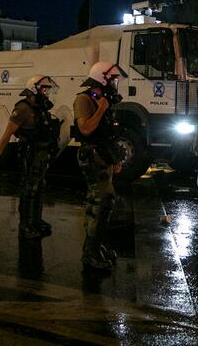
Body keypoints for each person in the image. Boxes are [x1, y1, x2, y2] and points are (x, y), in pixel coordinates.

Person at [74, 61, 127, 271]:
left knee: (99, 202)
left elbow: (108, 134)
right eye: (112, 78)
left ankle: (95, 246)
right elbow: (86, 129)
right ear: (102, 79)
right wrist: (101, 109)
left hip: (105, 156)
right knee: (102, 202)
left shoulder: (103, 99)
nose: (115, 82)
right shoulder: (84, 99)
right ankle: (91, 253)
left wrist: (116, 159)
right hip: (93, 157)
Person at [0, 74, 60, 239]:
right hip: (29, 153)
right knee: (29, 189)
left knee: (40, 187)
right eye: (44, 89)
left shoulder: (41, 108)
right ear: (34, 90)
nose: (46, 93)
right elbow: (8, 133)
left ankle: (36, 220)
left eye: (47, 89)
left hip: (41, 154)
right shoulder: (23, 108)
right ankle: (25, 224)